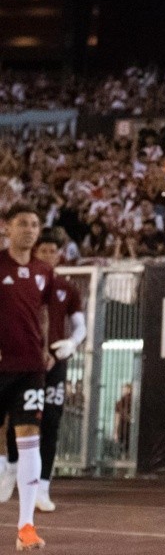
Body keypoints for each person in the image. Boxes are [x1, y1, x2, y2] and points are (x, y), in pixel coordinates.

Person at [3, 229, 86, 513]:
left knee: (49, 421)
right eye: (44, 251)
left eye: (54, 251)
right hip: (21, 361)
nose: (49, 256)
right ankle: (11, 466)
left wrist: (71, 345)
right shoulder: (21, 278)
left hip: (54, 364)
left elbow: (79, 325)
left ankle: (43, 487)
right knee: (17, 420)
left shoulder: (66, 287)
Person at [0, 203, 55, 551]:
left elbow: (44, 313)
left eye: (35, 224)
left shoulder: (43, 271)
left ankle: (25, 526)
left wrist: (45, 348)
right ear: (7, 227)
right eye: (23, 224)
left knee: (29, 437)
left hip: (30, 368)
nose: (30, 230)